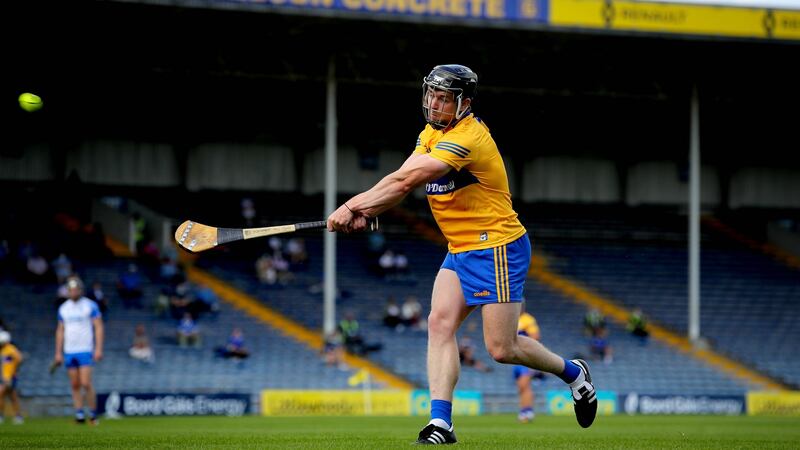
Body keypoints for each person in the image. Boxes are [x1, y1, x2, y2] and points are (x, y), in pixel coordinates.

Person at [327, 64, 597, 444]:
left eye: (444, 98)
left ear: (464, 103)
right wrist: (365, 211)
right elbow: (398, 183)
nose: (434, 104)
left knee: (502, 349)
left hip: (497, 246)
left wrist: (351, 205)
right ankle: (441, 423)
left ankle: (575, 374)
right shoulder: (429, 135)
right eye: (431, 95)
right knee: (438, 324)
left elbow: (407, 181)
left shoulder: (469, 137)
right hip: (461, 249)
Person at [53, 276, 104, 425]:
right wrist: (58, 352)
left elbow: (98, 326)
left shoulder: (90, 305)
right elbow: (60, 330)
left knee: (86, 383)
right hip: (69, 350)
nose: (73, 292)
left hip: (85, 349)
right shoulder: (63, 308)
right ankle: (79, 414)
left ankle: (93, 414)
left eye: (76, 289)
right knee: (74, 384)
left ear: (80, 290)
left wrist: (98, 348)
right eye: (71, 289)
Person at [514, 306, 545, 423]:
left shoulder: (528, 319)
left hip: (525, 357)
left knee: (524, 385)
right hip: (516, 359)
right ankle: (524, 410)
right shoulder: (512, 318)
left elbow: (535, 336)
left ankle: (528, 411)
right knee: (521, 387)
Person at [0, 330, 24, 424]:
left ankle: (1, 416)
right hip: (5, 377)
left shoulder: (11, 349)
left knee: (1, 394)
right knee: (13, 397)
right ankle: (18, 416)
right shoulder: (2, 350)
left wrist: (14, 370)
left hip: (10, 377)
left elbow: (19, 359)